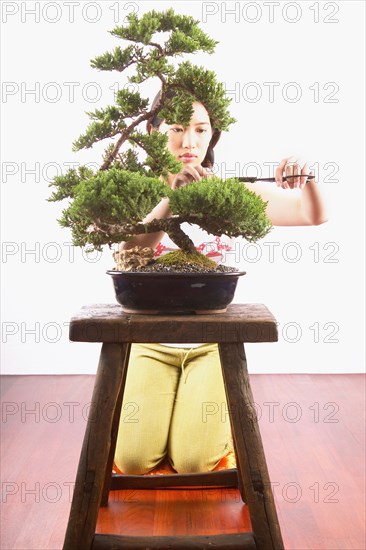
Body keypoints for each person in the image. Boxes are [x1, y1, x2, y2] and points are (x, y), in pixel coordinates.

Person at [114, 93, 328, 475]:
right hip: (150, 340)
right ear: (152, 130)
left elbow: (309, 214)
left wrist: (306, 181)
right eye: (177, 129)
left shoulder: (230, 191)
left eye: (200, 130)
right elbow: (127, 253)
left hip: (212, 341)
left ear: (213, 136)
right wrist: (170, 199)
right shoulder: (136, 190)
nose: (189, 142)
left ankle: (208, 429)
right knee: (131, 463)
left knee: (195, 463)